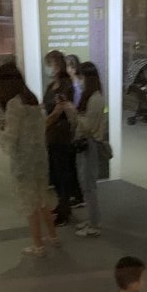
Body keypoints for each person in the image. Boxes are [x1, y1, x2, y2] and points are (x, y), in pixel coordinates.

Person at [0, 61, 57, 256]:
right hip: (40, 158)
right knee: (42, 199)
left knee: (29, 203)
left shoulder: (13, 104)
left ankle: (38, 246)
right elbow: (39, 128)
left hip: (24, 161)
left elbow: (11, 137)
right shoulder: (31, 99)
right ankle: (53, 236)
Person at [42, 49, 77, 227]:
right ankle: (60, 204)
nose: (49, 68)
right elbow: (45, 106)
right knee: (55, 173)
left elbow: (59, 110)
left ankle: (65, 210)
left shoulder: (66, 85)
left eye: (51, 64)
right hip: (51, 133)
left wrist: (45, 123)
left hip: (62, 133)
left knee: (63, 173)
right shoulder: (51, 87)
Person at [74, 61, 106, 238]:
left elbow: (88, 126)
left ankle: (95, 224)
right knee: (85, 184)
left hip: (90, 144)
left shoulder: (95, 99)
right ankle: (92, 219)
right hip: (84, 144)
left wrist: (75, 114)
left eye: (81, 77)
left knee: (89, 186)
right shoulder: (91, 97)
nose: (79, 80)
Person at [64, 54, 85, 207]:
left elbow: (76, 109)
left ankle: (78, 195)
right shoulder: (72, 84)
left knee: (73, 163)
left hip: (75, 127)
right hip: (71, 126)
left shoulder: (76, 86)